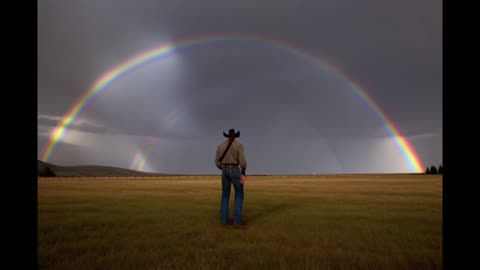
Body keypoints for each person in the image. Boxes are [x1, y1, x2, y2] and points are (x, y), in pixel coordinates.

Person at [215, 128, 247, 228]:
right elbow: (243, 162)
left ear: (228, 136)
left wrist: (223, 168)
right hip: (235, 169)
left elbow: (217, 162)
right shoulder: (239, 145)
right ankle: (236, 222)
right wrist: (243, 172)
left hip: (224, 170)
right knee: (239, 194)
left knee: (225, 195)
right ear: (235, 136)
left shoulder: (220, 146)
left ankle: (224, 221)